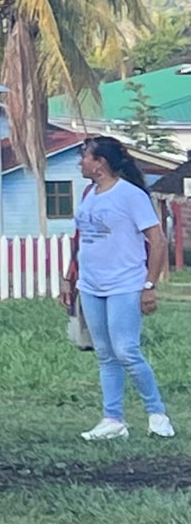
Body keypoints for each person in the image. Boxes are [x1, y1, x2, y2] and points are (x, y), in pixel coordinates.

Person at [62, 134, 171, 441]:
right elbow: (80, 240)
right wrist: (70, 280)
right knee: (105, 354)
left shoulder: (130, 195)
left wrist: (149, 285)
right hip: (92, 285)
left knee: (127, 350)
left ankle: (157, 413)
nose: (80, 161)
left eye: (85, 156)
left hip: (124, 283)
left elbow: (158, 239)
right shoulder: (89, 193)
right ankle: (113, 419)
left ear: (101, 164)